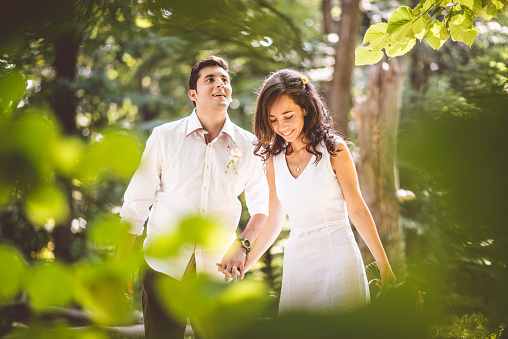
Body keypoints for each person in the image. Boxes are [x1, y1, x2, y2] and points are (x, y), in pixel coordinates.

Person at [219, 69, 396, 313]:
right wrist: (245, 264)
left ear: (305, 107)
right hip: (298, 264)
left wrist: (384, 265)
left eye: (287, 115)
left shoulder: (334, 150)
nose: (281, 126)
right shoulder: (273, 161)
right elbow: (273, 221)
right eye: (273, 120)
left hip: (339, 258)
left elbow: (357, 209)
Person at [116, 56, 268, 338]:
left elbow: (263, 208)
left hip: (218, 273)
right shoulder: (164, 137)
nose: (220, 84)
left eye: (225, 79)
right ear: (193, 94)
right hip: (163, 269)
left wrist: (242, 245)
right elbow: (135, 204)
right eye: (210, 79)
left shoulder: (249, 145)